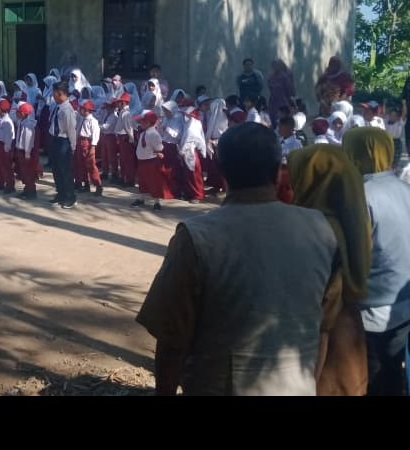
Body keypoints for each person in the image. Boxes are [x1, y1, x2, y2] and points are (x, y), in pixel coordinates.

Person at [135, 121, 339, 395]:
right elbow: (325, 327)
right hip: (297, 386)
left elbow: (172, 338)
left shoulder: (197, 236)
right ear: (277, 173)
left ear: (222, 171)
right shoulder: (320, 228)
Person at [287, 143, 372, 396]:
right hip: (348, 335)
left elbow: (322, 321)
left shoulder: (315, 227)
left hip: (322, 354)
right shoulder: (347, 217)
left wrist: (308, 384)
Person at [342, 127, 410, 396]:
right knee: (394, 372)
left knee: (374, 378)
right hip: (403, 300)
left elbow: (356, 255)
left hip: (372, 309)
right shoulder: (403, 187)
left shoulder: (360, 194)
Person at [48, 82, 78, 209]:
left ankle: (70, 197)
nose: (53, 95)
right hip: (55, 139)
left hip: (64, 141)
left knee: (65, 170)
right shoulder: (58, 106)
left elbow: (71, 129)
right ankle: (60, 193)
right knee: (56, 169)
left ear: (60, 93)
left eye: (54, 93)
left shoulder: (67, 109)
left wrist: (73, 146)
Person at [132, 110, 169, 211]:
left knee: (153, 181)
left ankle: (156, 202)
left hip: (151, 161)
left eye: (143, 122)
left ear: (148, 122)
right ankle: (141, 198)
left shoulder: (154, 134)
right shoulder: (143, 133)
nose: (141, 123)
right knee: (142, 181)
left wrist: (157, 152)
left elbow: (159, 147)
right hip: (142, 160)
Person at [74, 99, 103, 197]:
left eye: (82, 109)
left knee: (91, 165)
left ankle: (98, 185)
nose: (80, 110)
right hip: (80, 141)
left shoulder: (93, 121)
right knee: (80, 164)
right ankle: (86, 184)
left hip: (87, 143)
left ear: (87, 110)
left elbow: (95, 134)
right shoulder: (82, 119)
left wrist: (93, 146)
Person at [14, 101, 39, 200]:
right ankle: (27, 189)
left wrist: (27, 153)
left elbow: (29, 139)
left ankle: (31, 191)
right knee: (23, 171)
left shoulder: (28, 124)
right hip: (21, 149)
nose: (17, 114)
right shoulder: (22, 122)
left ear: (23, 113)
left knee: (28, 172)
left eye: (19, 112)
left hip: (26, 151)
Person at [276, 116, 303, 204]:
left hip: (289, 178)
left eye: (281, 127)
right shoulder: (278, 141)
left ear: (290, 128)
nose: (278, 129)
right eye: (278, 126)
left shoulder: (296, 144)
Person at [0, 99, 15, 194]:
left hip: (4, 146)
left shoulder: (7, 122)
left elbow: (8, 137)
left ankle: (10, 185)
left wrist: (7, 149)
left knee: (6, 166)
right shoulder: (1, 120)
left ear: (2, 110)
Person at [267, 59, 295, 127]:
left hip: (283, 102)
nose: (275, 68)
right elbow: (270, 88)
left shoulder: (285, 78)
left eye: (276, 66)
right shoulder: (271, 78)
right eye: (273, 66)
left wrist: (290, 102)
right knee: (273, 120)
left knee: (282, 120)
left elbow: (290, 91)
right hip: (273, 102)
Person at [384, 104, 407, 170]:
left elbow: (404, 113)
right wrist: (384, 103)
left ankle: (394, 172)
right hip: (388, 141)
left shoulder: (400, 123)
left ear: (397, 117)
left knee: (395, 161)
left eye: (394, 116)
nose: (393, 117)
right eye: (391, 115)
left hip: (396, 142)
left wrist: (404, 103)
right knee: (387, 159)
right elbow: (384, 113)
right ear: (389, 116)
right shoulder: (386, 122)